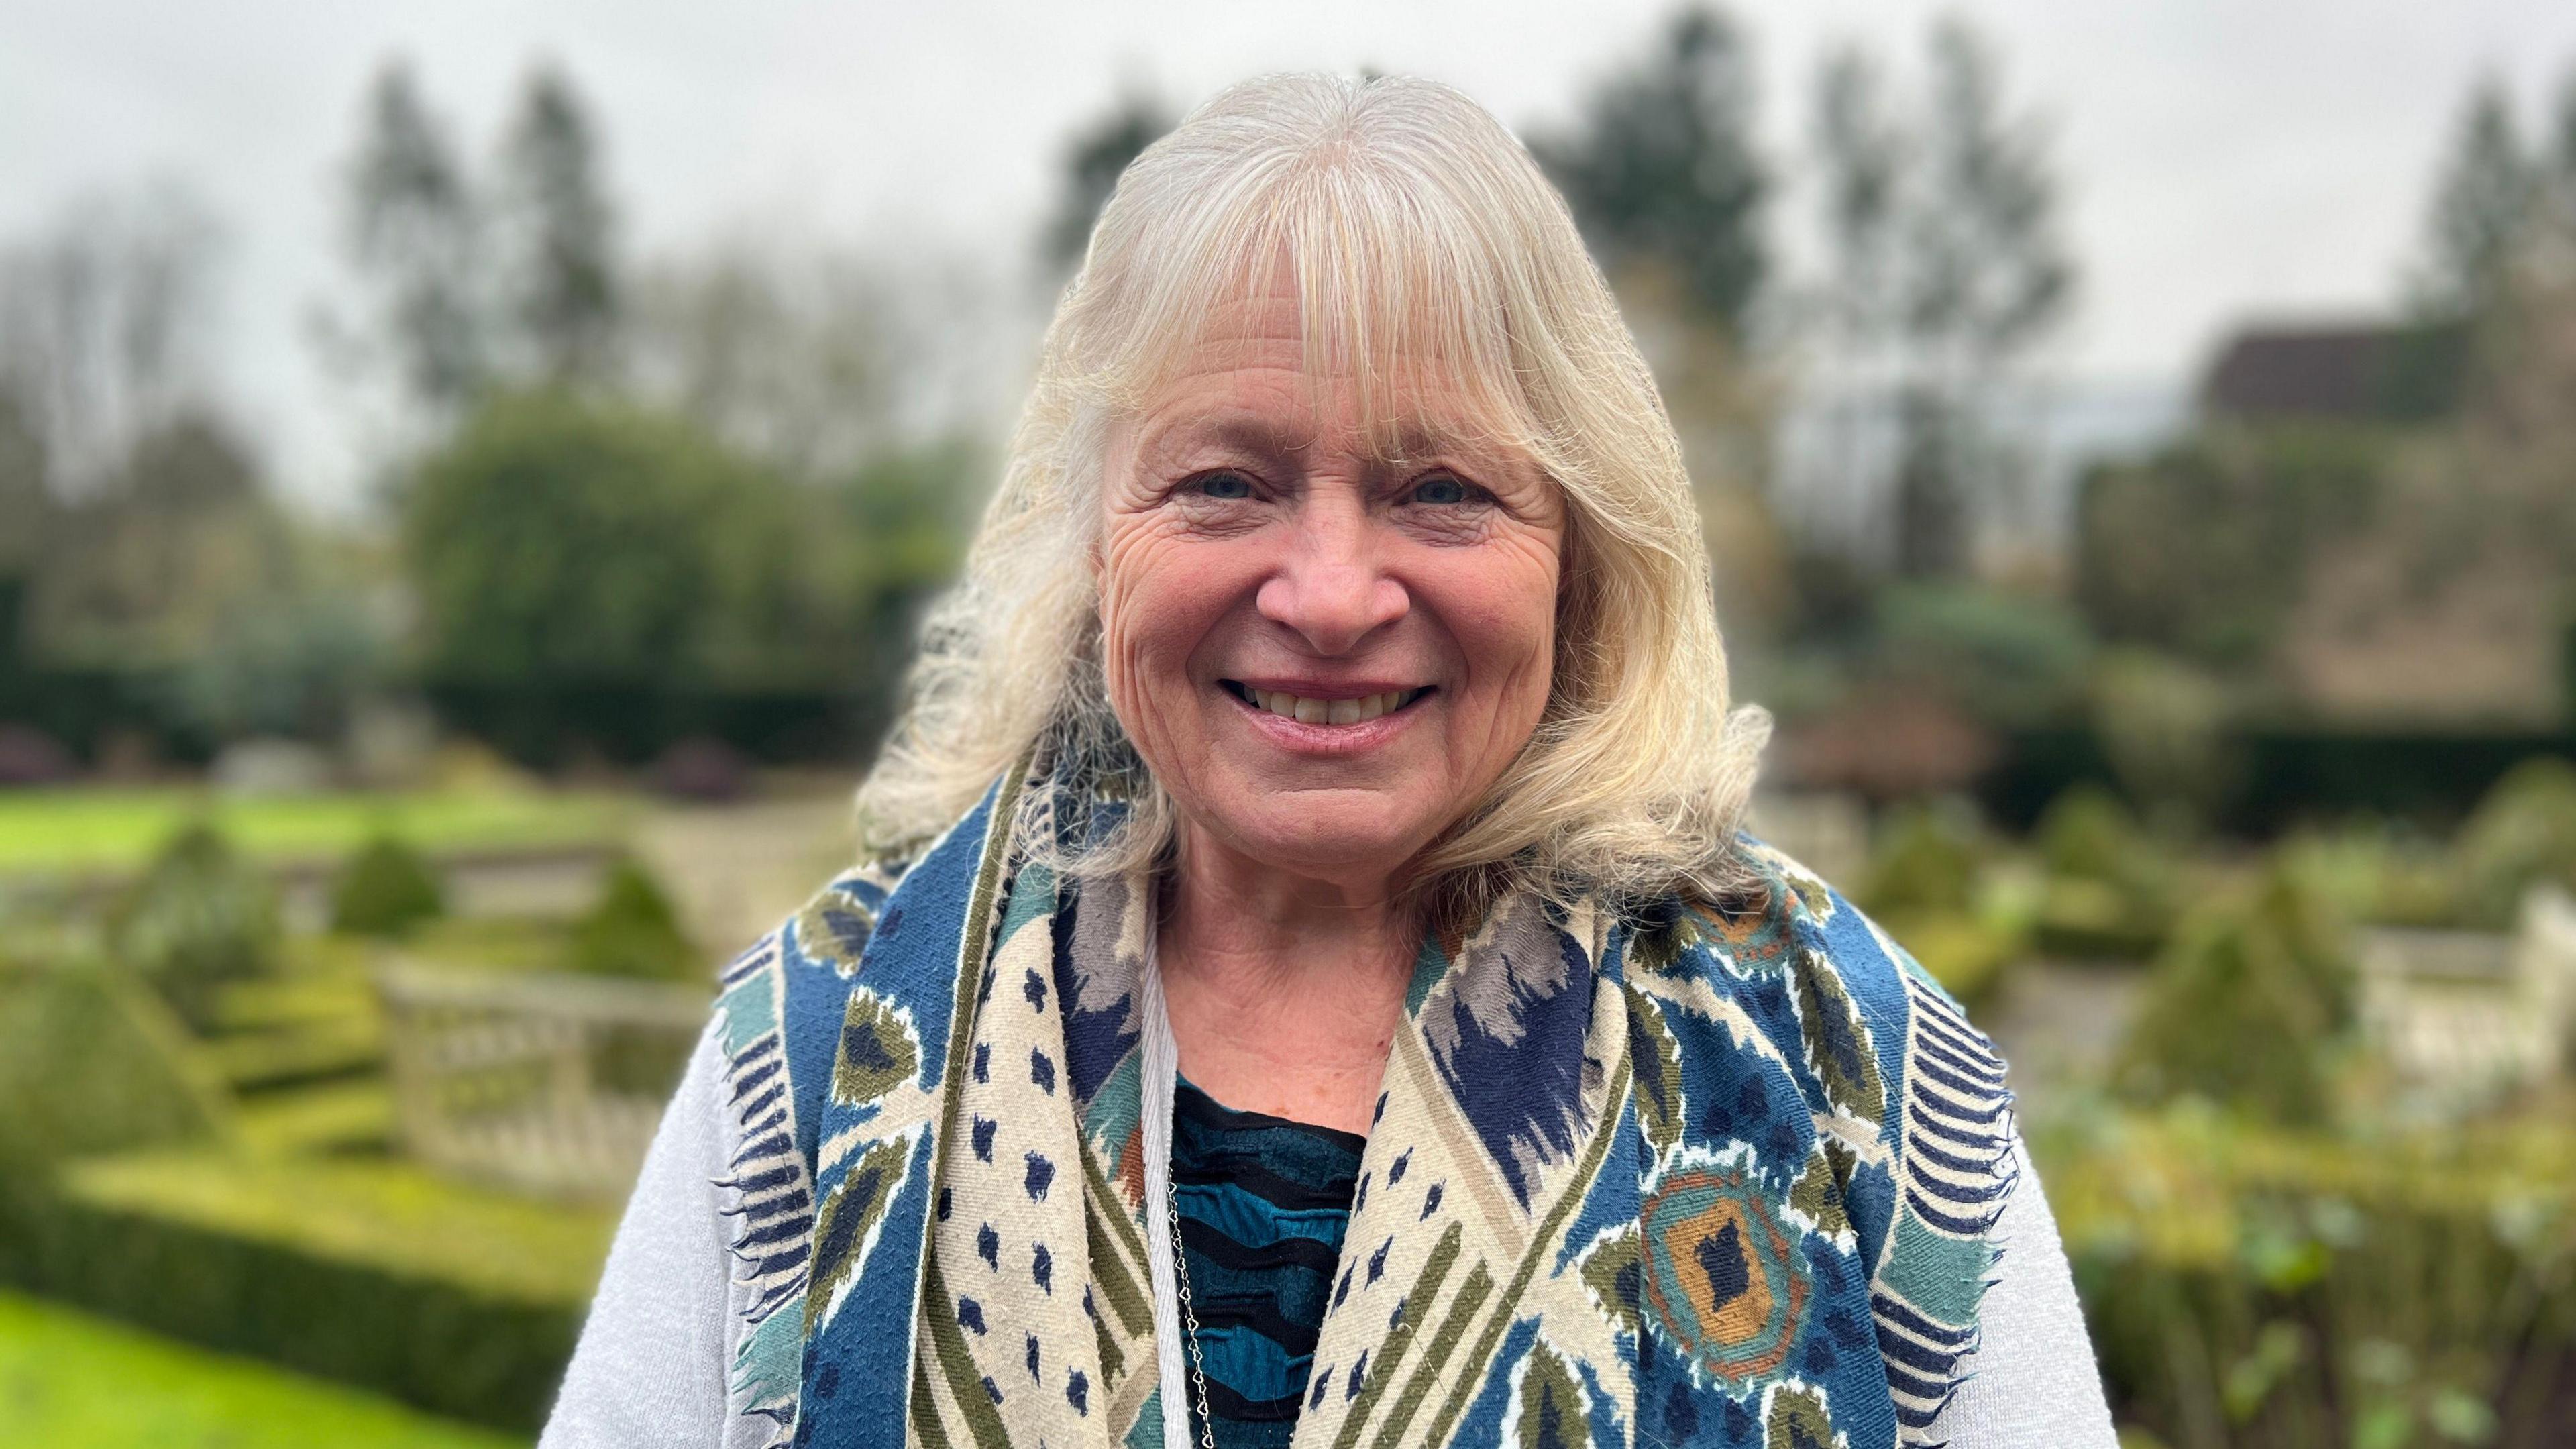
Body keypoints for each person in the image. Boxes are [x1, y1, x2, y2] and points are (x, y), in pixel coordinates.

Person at [542, 72, 2115, 1449]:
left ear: (1582, 553)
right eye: (1227, 482)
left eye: (1439, 491)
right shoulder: (819, 1047)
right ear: (1096, 538)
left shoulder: (1850, 1066)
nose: (1331, 595)